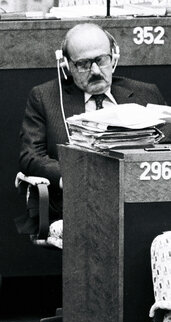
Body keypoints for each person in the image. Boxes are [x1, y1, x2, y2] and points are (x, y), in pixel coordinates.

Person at [17, 23, 166, 234]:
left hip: (140, 197)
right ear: (67, 66)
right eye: (83, 64)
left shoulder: (145, 94)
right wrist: (70, 176)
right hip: (78, 202)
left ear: (114, 57)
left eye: (101, 60)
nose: (95, 71)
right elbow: (30, 156)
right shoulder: (46, 97)